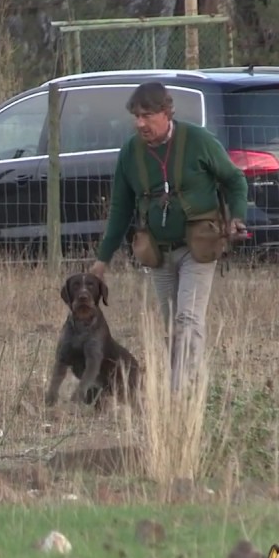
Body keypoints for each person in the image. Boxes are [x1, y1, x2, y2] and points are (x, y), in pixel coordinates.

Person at [87, 81, 248, 391]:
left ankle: (180, 395)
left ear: (166, 112)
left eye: (147, 115)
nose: (140, 123)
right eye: (136, 116)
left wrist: (237, 217)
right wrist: (102, 260)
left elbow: (234, 180)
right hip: (158, 252)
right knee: (172, 324)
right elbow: (120, 209)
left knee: (188, 319)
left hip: (199, 247)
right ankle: (186, 387)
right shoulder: (130, 153)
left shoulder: (198, 141)